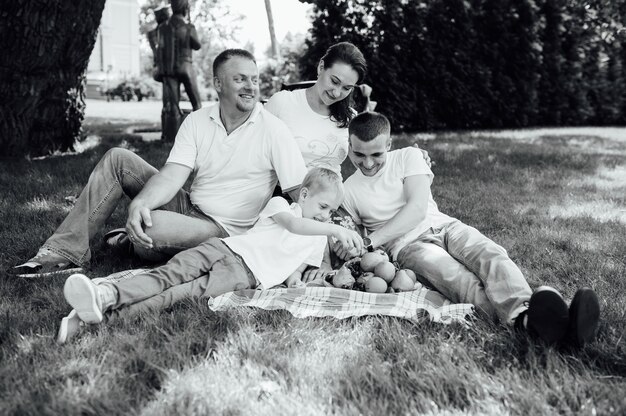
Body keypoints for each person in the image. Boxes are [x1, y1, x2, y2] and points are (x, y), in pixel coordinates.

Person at [13, 48, 308, 277]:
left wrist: (314, 244)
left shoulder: (273, 129)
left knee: (150, 232)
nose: (251, 87)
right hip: (189, 205)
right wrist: (141, 202)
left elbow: (299, 191)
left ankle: (129, 239)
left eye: (254, 79)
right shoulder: (197, 120)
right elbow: (173, 174)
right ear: (218, 84)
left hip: (223, 230)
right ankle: (63, 253)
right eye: (240, 78)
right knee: (119, 158)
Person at [338, 111, 600, 347]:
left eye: (376, 155)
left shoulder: (408, 156)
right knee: (457, 279)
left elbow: (417, 208)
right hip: (408, 248)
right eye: (359, 154)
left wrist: (371, 241)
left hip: (445, 226)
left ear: (389, 145)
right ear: (349, 145)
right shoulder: (347, 191)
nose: (368, 163)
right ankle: (533, 323)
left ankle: (532, 317)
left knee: (490, 254)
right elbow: (352, 240)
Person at [59, 168, 362, 339]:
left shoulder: (318, 239)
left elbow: (296, 270)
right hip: (223, 247)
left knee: (180, 294)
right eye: (324, 207)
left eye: (332, 212)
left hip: (242, 275)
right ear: (305, 195)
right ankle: (106, 296)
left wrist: (297, 281)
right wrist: (334, 229)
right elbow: (294, 225)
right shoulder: (282, 206)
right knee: (167, 274)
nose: (326, 216)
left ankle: (93, 320)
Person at [155, 0, 203, 141]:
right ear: (185, 9)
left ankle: (171, 138)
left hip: (169, 70)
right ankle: (200, 136)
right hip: (186, 66)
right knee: (196, 103)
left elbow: (160, 49)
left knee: (172, 105)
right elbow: (197, 45)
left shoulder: (163, 27)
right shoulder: (189, 27)